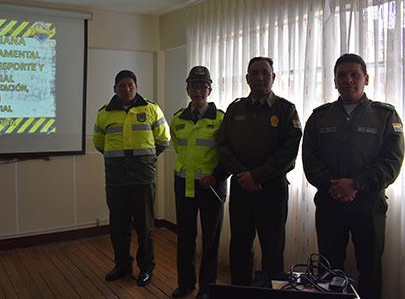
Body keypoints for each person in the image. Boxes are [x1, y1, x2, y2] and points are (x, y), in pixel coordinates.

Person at [302, 53, 404, 299]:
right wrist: (334, 186)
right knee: (327, 268)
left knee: (369, 268)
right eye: (342, 75)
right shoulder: (319, 116)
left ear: (366, 79)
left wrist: (356, 184)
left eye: (354, 74)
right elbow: (310, 158)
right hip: (330, 203)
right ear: (334, 81)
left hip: (368, 206)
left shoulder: (385, 116)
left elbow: (392, 160)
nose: (348, 80)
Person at [215, 56, 302, 286]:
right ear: (247, 78)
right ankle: (240, 291)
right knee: (240, 246)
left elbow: (289, 151)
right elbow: (222, 145)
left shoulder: (286, 110)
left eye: (265, 73)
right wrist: (243, 174)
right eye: (255, 73)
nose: (260, 77)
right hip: (241, 187)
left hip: (272, 190)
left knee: (273, 249)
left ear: (273, 77)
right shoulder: (234, 109)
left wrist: (257, 175)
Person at [93, 70, 170, 286]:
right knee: (118, 227)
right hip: (116, 179)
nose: (126, 89)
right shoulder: (104, 113)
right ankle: (122, 265)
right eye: (121, 85)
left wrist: (143, 161)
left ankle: (146, 268)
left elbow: (163, 140)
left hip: (143, 178)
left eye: (130, 85)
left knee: (145, 227)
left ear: (136, 87)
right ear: (115, 88)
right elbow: (99, 143)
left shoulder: (151, 109)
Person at [170, 66, 228, 299]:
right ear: (187, 89)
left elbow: (228, 154)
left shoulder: (221, 119)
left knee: (211, 240)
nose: (198, 91)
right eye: (193, 86)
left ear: (210, 90)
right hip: (184, 186)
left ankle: (206, 288)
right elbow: (178, 148)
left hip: (211, 187)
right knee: (184, 238)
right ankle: (185, 284)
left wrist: (216, 175)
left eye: (202, 86)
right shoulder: (177, 119)